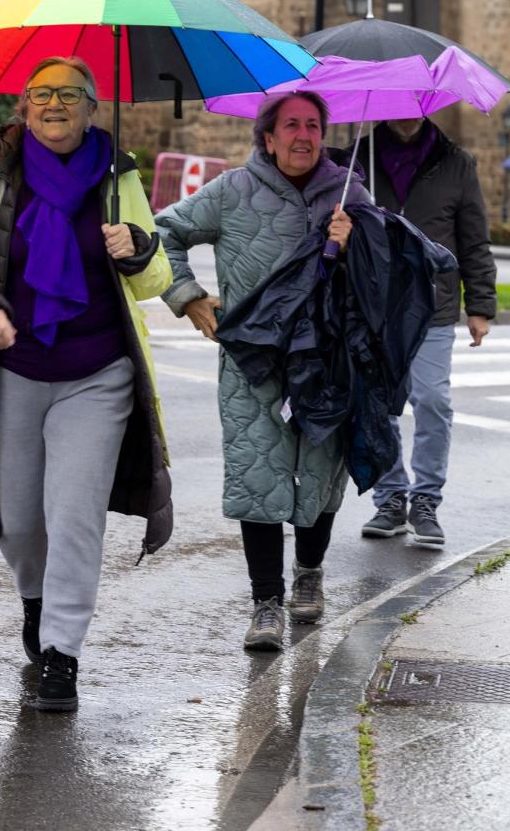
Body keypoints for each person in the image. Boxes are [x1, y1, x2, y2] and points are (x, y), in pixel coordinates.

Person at [0, 57, 173, 713]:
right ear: (24, 105)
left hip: (98, 374)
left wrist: (136, 248)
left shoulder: (119, 177)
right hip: (16, 366)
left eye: (71, 95)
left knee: (75, 517)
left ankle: (63, 653)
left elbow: (155, 277)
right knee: (20, 522)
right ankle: (36, 599)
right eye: (43, 94)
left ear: (90, 107)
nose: (56, 105)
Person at [155, 92, 361, 653]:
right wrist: (189, 297)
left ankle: (311, 573)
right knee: (258, 475)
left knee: (321, 472)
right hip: (254, 360)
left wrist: (353, 244)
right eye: (290, 125)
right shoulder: (232, 191)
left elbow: (384, 277)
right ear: (267, 137)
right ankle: (266, 603)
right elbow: (163, 232)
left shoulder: (350, 194)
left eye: (314, 125)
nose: (303, 135)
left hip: (326, 360)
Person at [342, 117, 495, 550]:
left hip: (434, 306)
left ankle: (425, 499)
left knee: (432, 399)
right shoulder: (360, 158)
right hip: (376, 304)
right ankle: (391, 498)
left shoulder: (457, 163)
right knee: (380, 405)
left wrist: (480, 305)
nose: (406, 114)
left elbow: (474, 239)